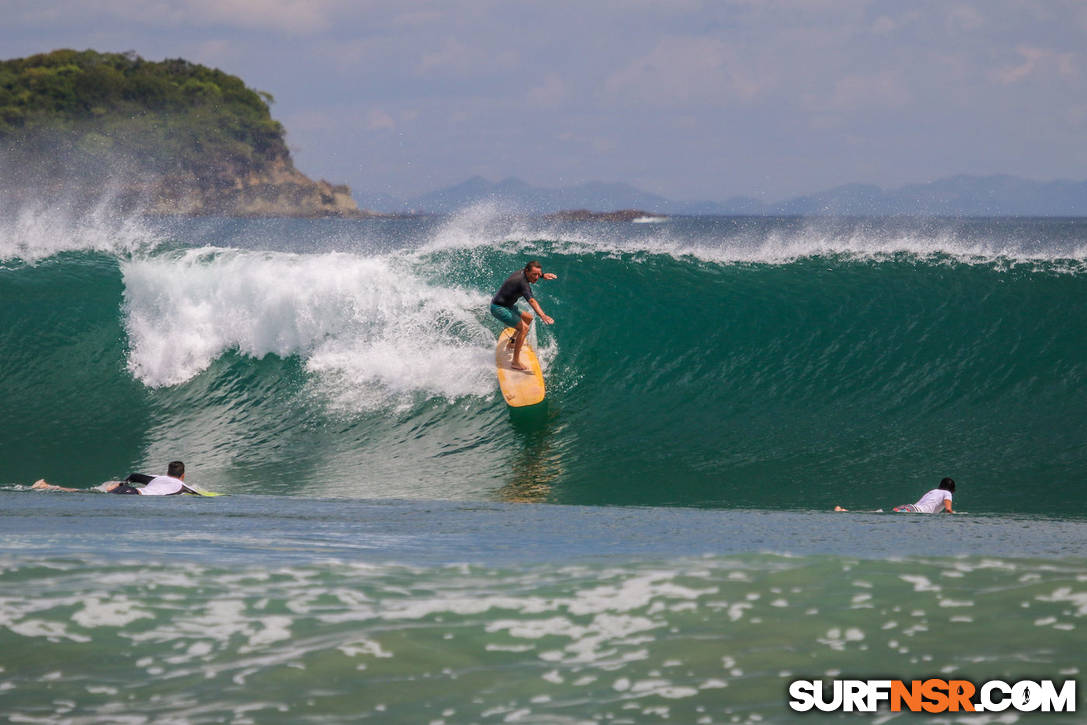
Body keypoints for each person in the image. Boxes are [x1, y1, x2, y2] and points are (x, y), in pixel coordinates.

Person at [490, 260, 557, 371]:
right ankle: (515, 362)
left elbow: (534, 272)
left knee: (528, 318)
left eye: (538, 274)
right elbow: (532, 301)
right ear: (527, 271)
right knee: (524, 328)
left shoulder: (523, 272)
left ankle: (512, 342)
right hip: (498, 308)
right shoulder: (523, 284)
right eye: (534, 275)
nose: (536, 277)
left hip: (508, 305)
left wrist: (543, 275)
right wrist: (543, 315)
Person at [31, 461, 203, 496]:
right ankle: (46, 486)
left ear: (167, 473)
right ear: (183, 476)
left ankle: (46, 485)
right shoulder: (182, 486)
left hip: (128, 488)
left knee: (88, 492)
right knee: (86, 494)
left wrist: (121, 484)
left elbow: (135, 475)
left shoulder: (156, 478)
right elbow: (197, 495)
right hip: (133, 493)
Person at [834, 477, 956, 514]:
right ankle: (844, 510)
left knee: (881, 514)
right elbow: (948, 509)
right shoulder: (947, 493)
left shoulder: (933, 491)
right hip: (914, 512)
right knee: (880, 516)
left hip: (909, 507)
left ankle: (844, 510)